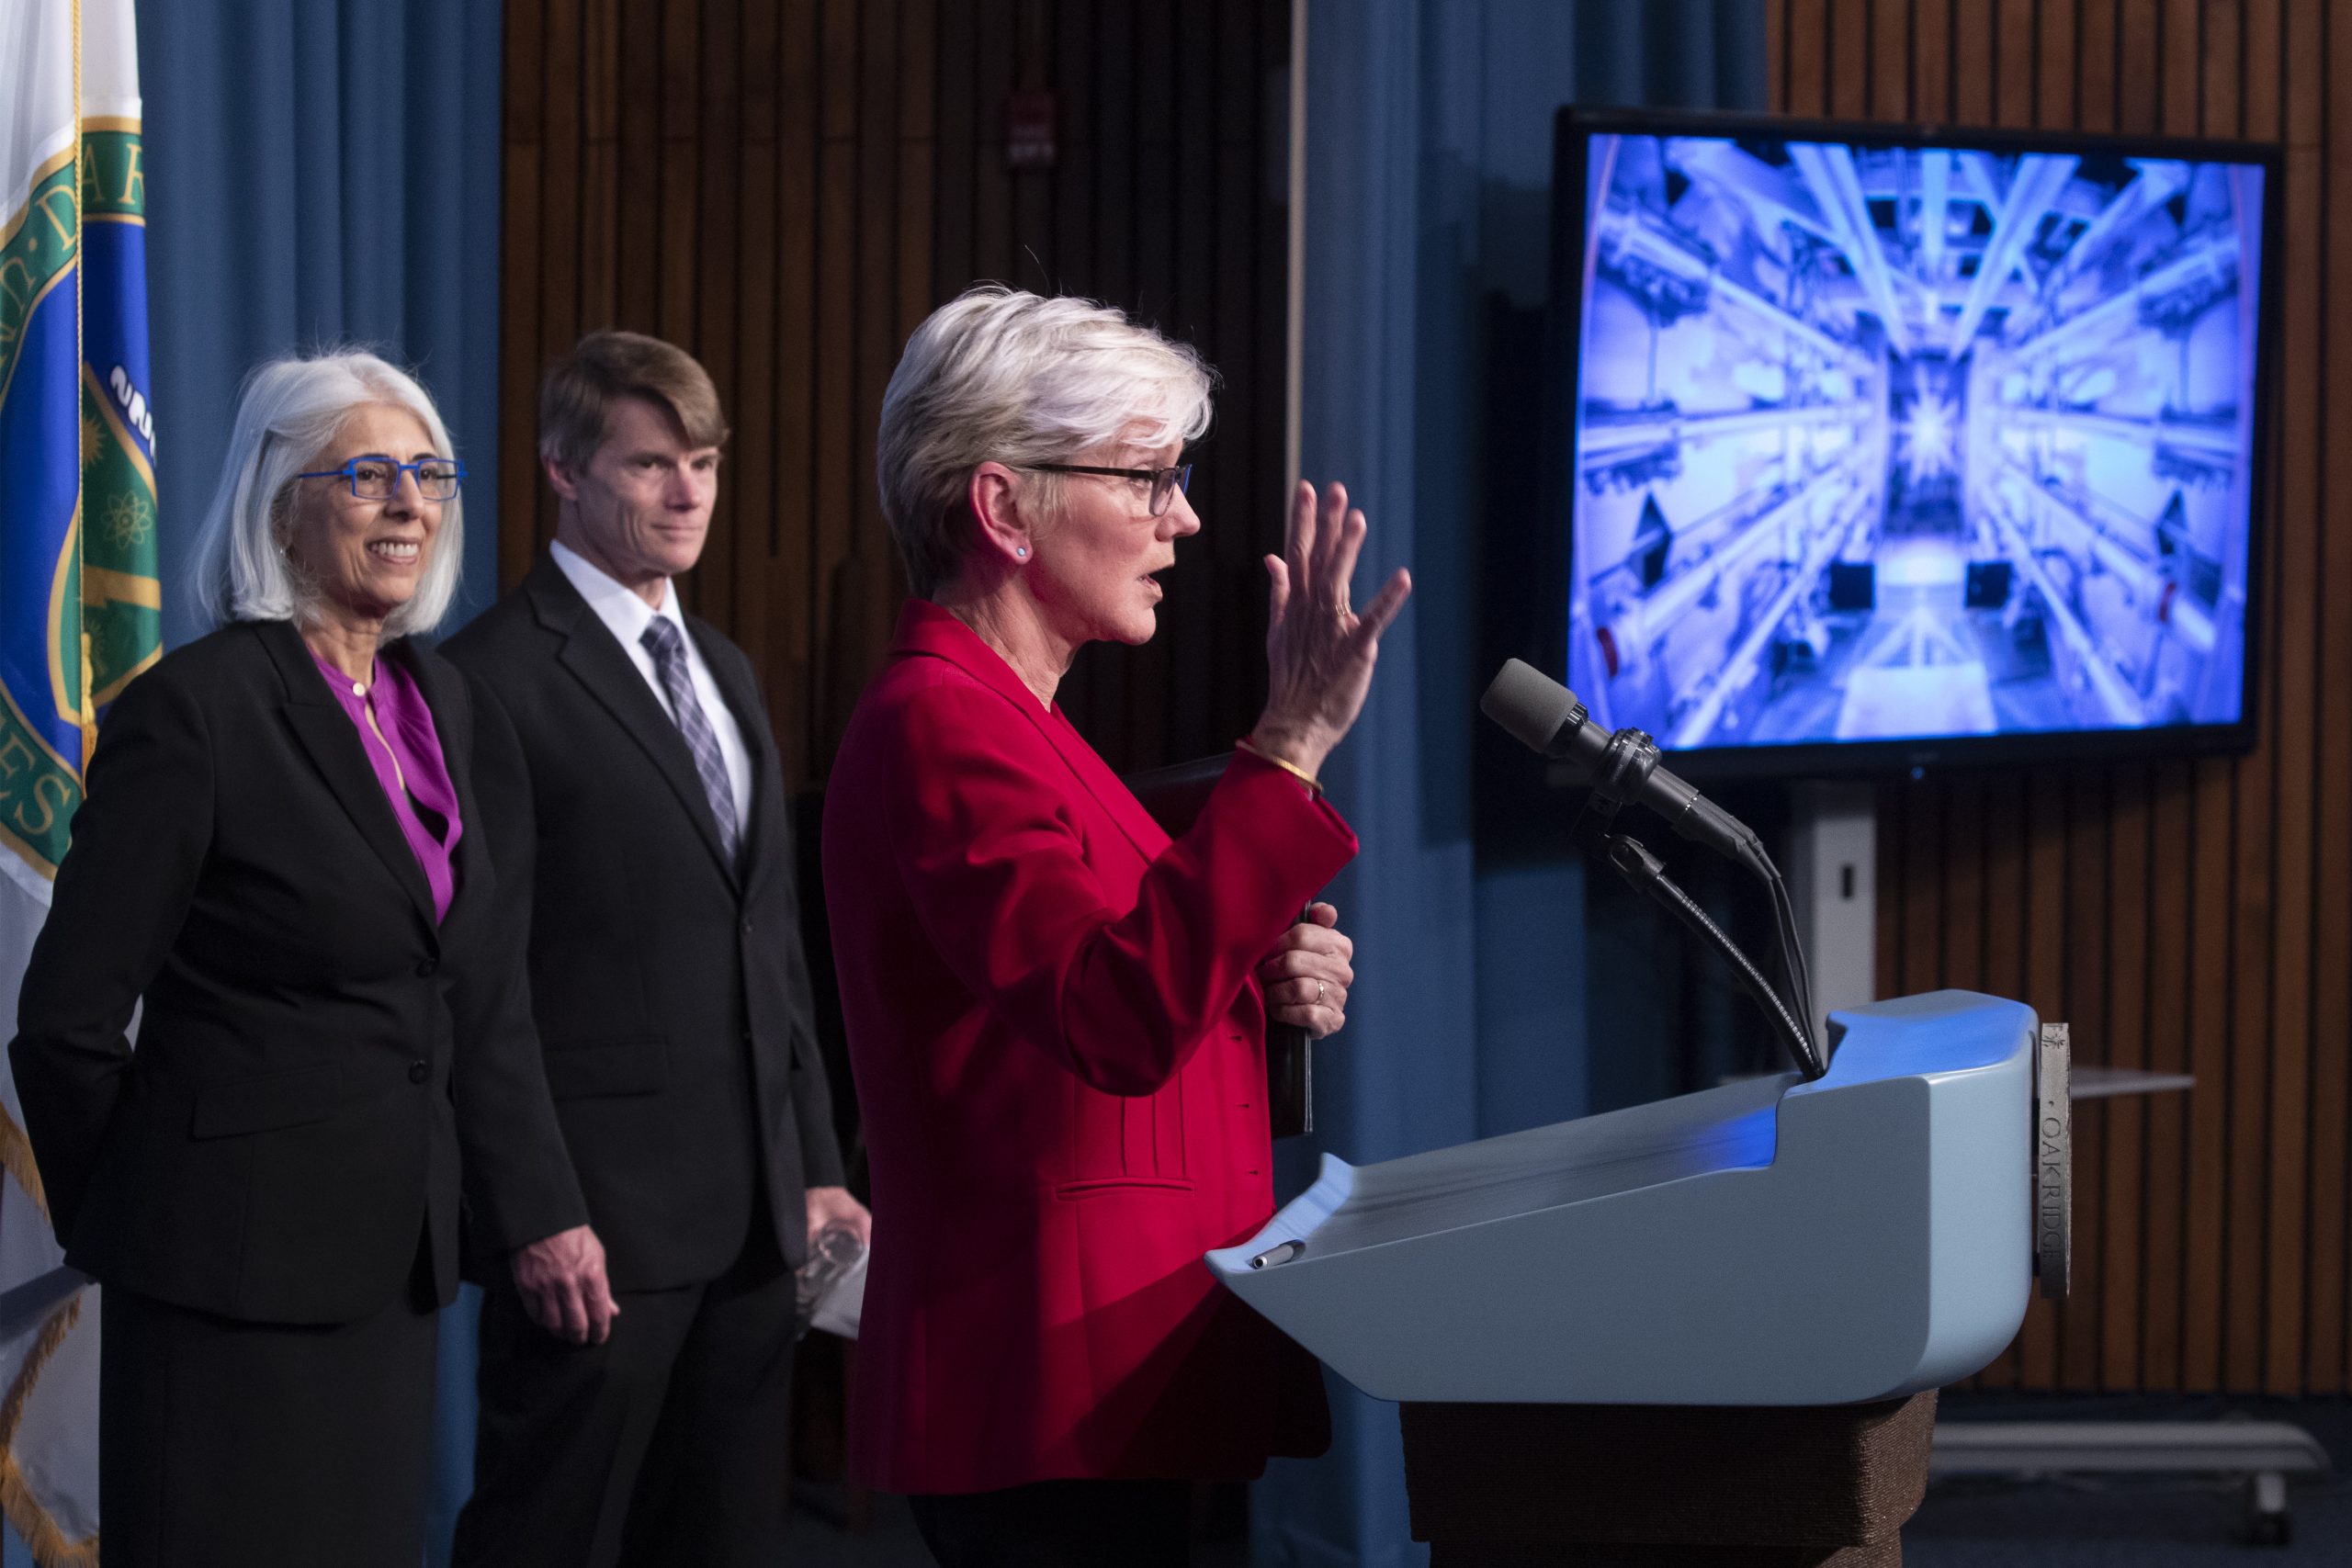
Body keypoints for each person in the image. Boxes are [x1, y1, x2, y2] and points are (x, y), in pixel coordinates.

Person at [823, 287, 1412, 1566]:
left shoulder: (1022, 724)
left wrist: (1260, 975)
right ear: (1002, 508)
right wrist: (1291, 746)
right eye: (1147, 477)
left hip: (1124, 1367)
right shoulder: (940, 723)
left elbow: (1116, 978)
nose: (1183, 517)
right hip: (1043, 1382)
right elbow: (1112, 1016)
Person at [8, 351, 584, 1566]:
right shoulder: (196, 712)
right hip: (223, 1283)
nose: (409, 504)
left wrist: (536, 1209)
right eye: (368, 475)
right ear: (281, 502)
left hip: (391, 1269)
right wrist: (143, 1217)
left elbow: (475, 991)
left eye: (427, 474)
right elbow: (65, 1018)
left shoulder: (446, 704)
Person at [446, 330, 867, 1568]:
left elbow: (769, 941)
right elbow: (486, 981)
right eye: (651, 466)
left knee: (725, 1545)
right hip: (596, 1240)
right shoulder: (490, 680)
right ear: (563, 474)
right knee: (549, 1539)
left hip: (755, 1233)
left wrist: (817, 1160)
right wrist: (536, 1213)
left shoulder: (725, 669)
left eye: (705, 462)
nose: (689, 493)